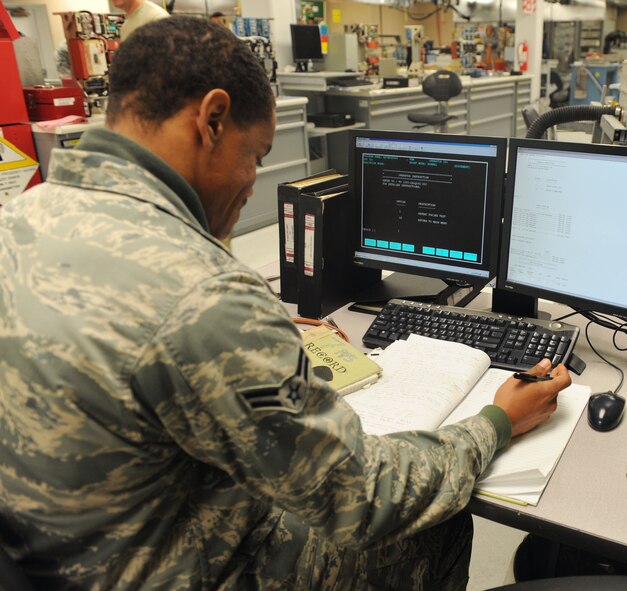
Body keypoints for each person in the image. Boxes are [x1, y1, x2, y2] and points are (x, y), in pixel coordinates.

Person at [0, 16, 571, 589]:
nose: (253, 183)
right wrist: (496, 422)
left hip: (64, 557)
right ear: (212, 119)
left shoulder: (18, 220)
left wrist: (260, 344)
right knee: (437, 519)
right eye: (256, 155)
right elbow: (364, 495)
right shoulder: (203, 294)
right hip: (180, 570)